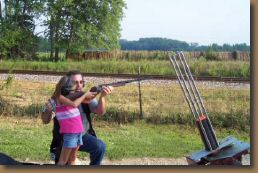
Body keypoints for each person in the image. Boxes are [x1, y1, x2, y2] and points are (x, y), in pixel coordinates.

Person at [42, 70, 113, 165]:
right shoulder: (58, 98)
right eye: (75, 82)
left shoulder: (82, 95)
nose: (79, 85)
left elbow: (100, 111)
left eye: (81, 82)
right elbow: (45, 120)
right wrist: (48, 111)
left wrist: (102, 96)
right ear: (66, 85)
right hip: (64, 138)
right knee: (64, 162)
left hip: (81, 135)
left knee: (99, 146)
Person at [51, 76, 97, 165]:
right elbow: (74, 104)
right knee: (63, 161)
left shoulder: (69, 96)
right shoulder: (59, 97)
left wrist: (97, 92)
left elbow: (88, 100)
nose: (74, 92)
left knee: (73, 159)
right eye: (72, 90)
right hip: (70, 133)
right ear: (65, 89)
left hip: (78, 132)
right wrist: (84, 95)